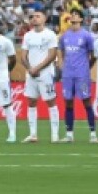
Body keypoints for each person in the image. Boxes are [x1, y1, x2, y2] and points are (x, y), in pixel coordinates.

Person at [18, 11, 60, 143]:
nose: (34, 19)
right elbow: (23, 55)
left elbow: (52, 55)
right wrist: (30, 68)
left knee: (50, 102)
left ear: (44, 19)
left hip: (46, 73)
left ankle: (55, 135)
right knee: (31, 102)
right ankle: (33, 134)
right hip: (31, 73)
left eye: (37, 16)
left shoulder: (50, 35)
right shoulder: (28, 35)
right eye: (32, 17)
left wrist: (37, 68)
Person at [57, 8, 97, 142]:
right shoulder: (64, 36)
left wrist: (86, 68)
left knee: (86, 101)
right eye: (72, 14)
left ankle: (93, 133)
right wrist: (62, 65)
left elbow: (93, 55)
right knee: (68, 102)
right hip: (68, 75)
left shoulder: (86, 35)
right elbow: (61, 52)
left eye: (76, 14)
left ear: (81, 19)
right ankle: (69, 134)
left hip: (82, 74)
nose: (73, 16)